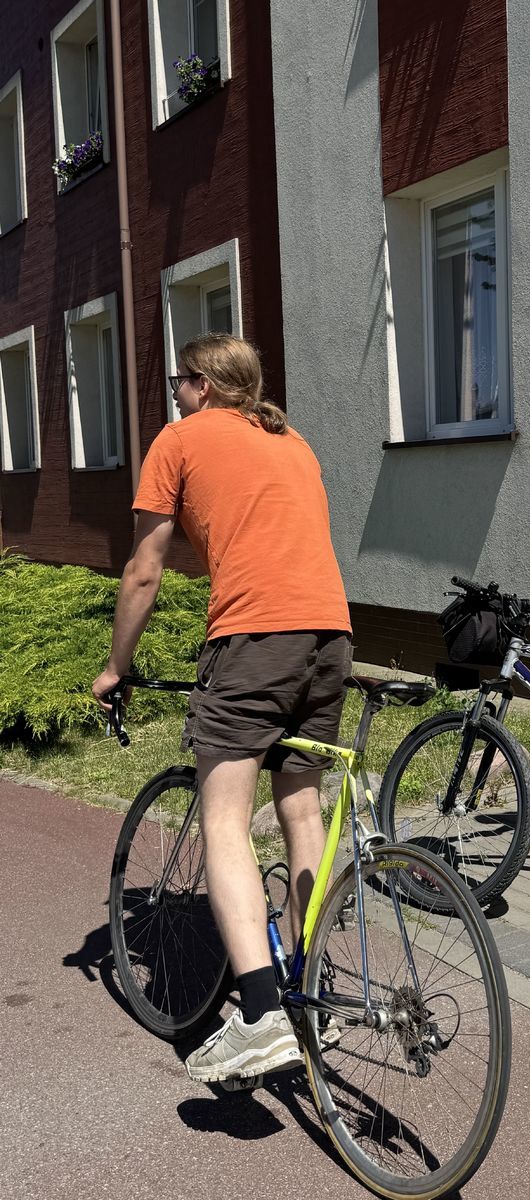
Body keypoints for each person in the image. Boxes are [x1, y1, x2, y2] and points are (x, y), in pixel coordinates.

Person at [92, 334, 352, 1082]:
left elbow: (144, 569)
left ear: (202, 383)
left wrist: (116, 666)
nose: (174, 393)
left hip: (254, 637)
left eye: (179, 380)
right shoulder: (290, 438)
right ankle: (311, 989)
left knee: (224, 816)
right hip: (330, 633)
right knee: (302, 812)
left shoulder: (179, 438)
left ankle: (264, 1015)